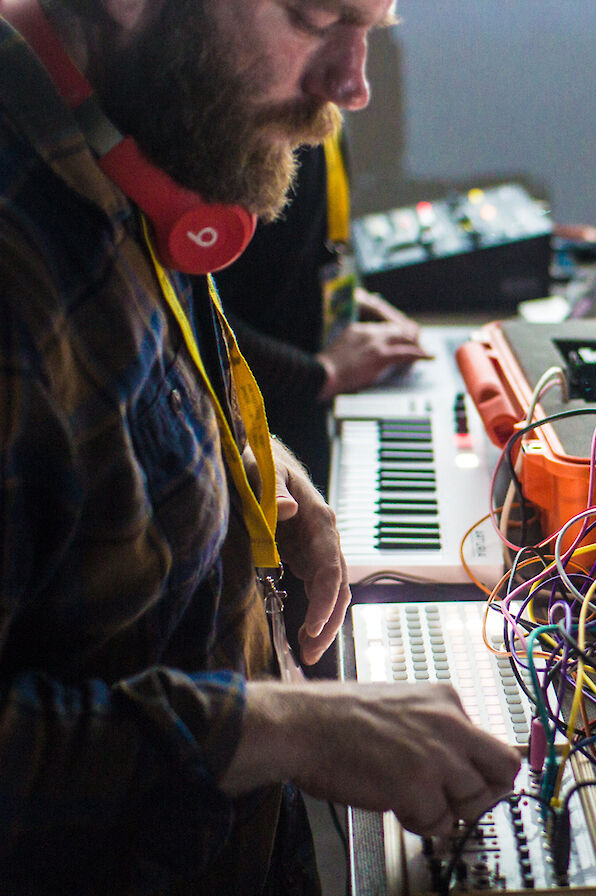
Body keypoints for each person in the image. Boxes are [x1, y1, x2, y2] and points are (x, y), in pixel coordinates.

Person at [0, 0, 520, 893]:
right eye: (317, 20)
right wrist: (278, 728)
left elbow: (98, 401)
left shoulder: (114, 138)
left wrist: (245, 457)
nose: (352, 86)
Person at [212, 133, 430, 496]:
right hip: (258, 429)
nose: (355, 89)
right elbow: (193, 307)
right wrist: (322, 374)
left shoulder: (313, 110)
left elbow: (270, 265)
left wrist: (348, 301)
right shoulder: (223, 122)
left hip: (308, 400)